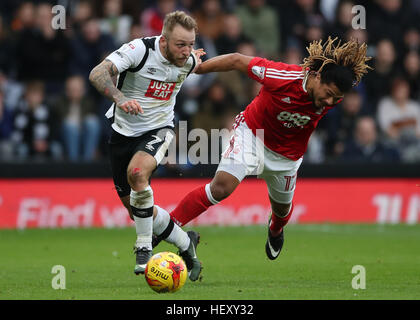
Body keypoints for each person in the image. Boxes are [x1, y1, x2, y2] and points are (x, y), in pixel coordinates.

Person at [153, 37, 372, 261]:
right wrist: (195, 69)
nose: (329, 101)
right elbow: (237, 60)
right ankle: (165, 228)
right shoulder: (281, 76)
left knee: (282, 213)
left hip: (287, 157)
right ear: (316, 76)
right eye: (328, 93)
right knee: (221, 188)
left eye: (336, 98)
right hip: (252, 135)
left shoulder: (330, 98)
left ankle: (275, 230)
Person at [89, 11, 205, 280]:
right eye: (180, 44)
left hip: (159, 129)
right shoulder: (139, 50)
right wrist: (119, 98)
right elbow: (97, 74)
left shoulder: (187, 61)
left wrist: (194, 58)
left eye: (190, 44)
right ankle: (187, 243)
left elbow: (196, 62)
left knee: (138, 174)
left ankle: (144, 248)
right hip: (122, 134)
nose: (186, 51)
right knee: (139, 211)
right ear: (163, 41)